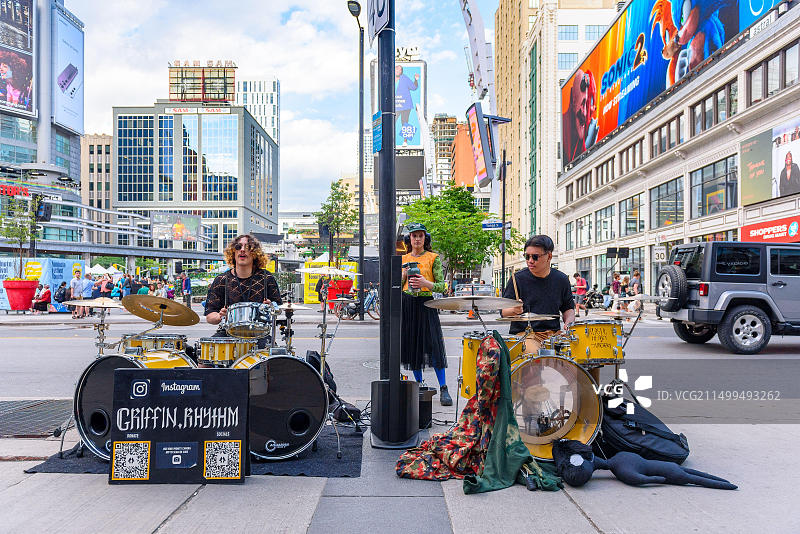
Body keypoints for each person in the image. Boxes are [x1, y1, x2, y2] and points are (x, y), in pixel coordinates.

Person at [400, 223, 452, 406]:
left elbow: (442, 286)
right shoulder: (403, 259)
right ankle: (419, 384)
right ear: (409, 239)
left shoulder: (433, 258)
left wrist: (425, 283)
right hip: (408, 305)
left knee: (434, 346)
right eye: (414, 236)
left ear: (425, 238)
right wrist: (404, 275)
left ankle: (443, 387)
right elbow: (395, 284)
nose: (417, 239)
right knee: (413, 347)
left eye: (420, 235)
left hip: (426, 305)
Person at [500, 235, 576, 353]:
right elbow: (503, 312)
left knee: (578, 352)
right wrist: (514, 310)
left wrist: (569, 324)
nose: (530, 261)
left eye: (535, 257)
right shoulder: (517, 279)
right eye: (527, 256)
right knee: (536, 356)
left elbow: (568, 308)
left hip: (554, 335)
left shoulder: (561, 279)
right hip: (526, 335)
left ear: (549, 256)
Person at [205, 234, 282, 350]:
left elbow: (278, 308)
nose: (242, 250)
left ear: (255, 253)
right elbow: (210, 316)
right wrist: (220, 316)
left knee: (274, 357)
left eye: (248, 247)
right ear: (233, 252)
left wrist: (270, 306)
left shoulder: (266, 278)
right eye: (238, 247)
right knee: (206, 357)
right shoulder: (221, 280)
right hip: (227, 333)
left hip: (259, 334)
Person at [562, 69, 598, 164]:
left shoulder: (588, 134)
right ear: (573, 100)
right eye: (583, 103)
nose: (585, 112)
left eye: (588, 104)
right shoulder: (564, 129)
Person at [395, 65, 420, 147]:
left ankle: (405, 141)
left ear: (401, 71)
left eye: (400, 70)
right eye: (396, 69)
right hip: (395, 105)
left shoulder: (405, 78)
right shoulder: (390, 79)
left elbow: (414, 87)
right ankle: (390, 140)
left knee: (405, 122)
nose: (398, 71)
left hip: (405, 105)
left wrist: (416, 80)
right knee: (391, 121)